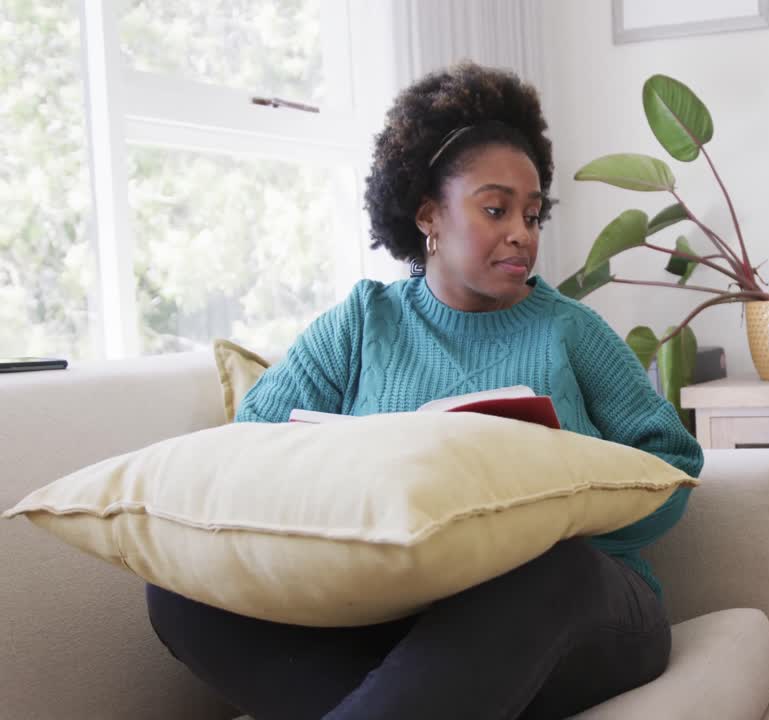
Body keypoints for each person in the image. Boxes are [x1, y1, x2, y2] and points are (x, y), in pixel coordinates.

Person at [144, 61, 703, 720]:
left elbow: (674, 463)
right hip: (398, 620)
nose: (522, 232)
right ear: (428, 214)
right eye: (496, 209)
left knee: (551, 574)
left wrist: (565, 516)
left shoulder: (569, 330)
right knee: (180, 592)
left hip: (576, 612)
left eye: (531, 213)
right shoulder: (362, 321)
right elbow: (252, 446)